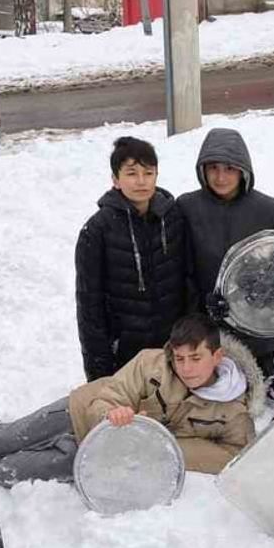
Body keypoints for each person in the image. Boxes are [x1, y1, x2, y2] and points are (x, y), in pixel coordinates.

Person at [0, 314, 264, 484]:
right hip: (80, 414)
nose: (186, 368)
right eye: (179, 358)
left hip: (105, 452)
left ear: (217, 357)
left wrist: (157, 444)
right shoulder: (150, 363)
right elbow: (108, 398)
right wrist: (111, 416)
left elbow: (233, 456)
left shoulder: (233, 410)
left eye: (196, 358)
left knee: (7, 472)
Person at [177, 127, 274, 378]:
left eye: (230, 168)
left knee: (255, 409)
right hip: (203, 339)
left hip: (256, 338)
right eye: (213, 167)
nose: (220, 177)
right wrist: (200, 310)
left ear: (244, 170)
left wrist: (256, 306)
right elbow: (180, 271)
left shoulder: (268, 210)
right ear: (202, 169)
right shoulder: (187, 208)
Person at [76, 136, 189, 382]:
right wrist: (99, 373)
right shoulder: (97, 231)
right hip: (124, 355)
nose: (141, 181)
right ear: (115, 180)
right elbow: (89, 307)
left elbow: (187, 280)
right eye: (131, 173)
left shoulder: (173, 218)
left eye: (148, 173)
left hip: (172, 349)